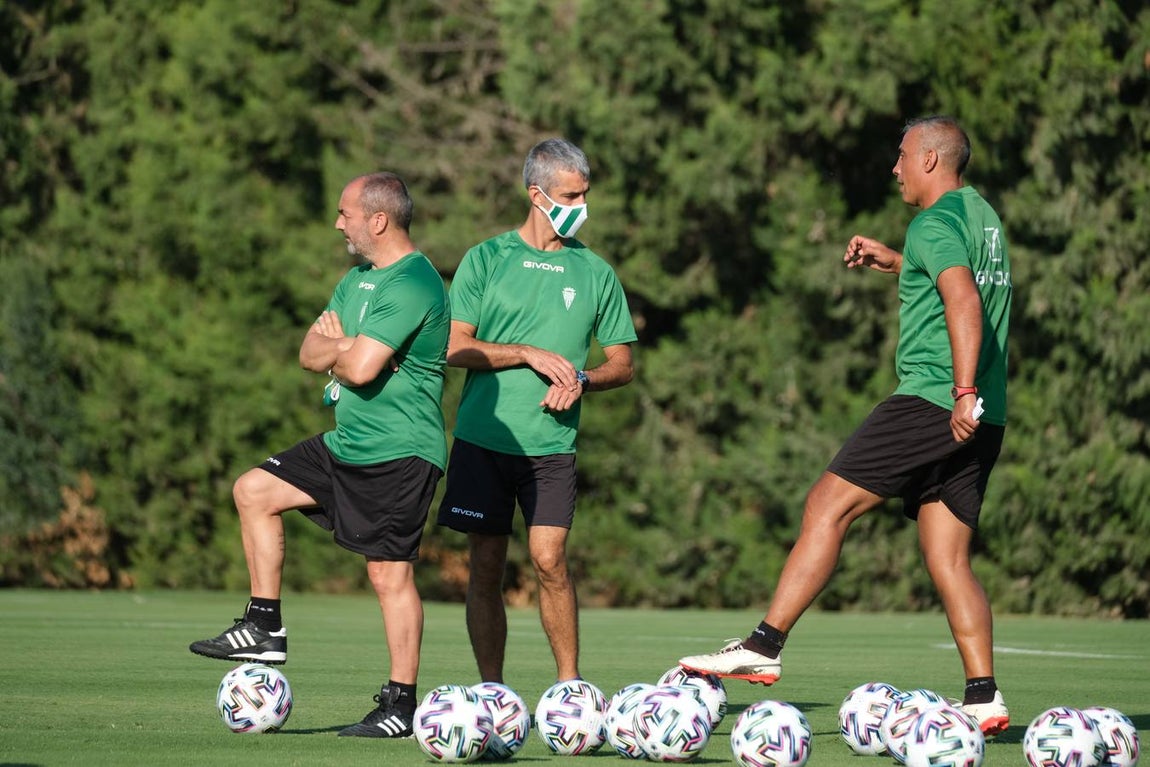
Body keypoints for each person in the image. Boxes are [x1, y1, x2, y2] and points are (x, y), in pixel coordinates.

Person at [678, 115, 1013, 737]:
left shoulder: (933, 222)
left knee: (826, 506)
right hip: (986, 410)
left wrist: (959, 392)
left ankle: (764, 644)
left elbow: (962, 299)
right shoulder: (982, 218)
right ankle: (984, 695)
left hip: (936, 399)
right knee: (948, 558)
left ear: (931, 160)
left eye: (902, 156)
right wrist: (897, 262)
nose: (895, 167)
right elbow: (953, 282)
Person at [189, 172, 450, 739]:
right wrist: (345, 347)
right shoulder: (357, 280)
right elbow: (310, 352)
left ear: (378, 220)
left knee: (388, 575)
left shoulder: (415, 283)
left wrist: (344, 349)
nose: (338, 224)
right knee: (253, 489)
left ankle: (401, 706)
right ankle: (265, 627)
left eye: (345, 213)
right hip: (347, 443)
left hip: (400, 451)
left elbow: (355, 368)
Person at [436, 138, 637, 684]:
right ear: (537, 194)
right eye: (572, 195)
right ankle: (493, 694)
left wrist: (584, 379)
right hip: (484, 438)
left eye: (585, 193)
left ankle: (570, 689)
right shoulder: (485, 259)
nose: (582, 205)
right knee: (485, 566)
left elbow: (623, 362)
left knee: (549, 560)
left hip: (551, 446)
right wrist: (525, 353)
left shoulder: (595, 271)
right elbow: (453, 347)